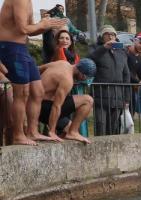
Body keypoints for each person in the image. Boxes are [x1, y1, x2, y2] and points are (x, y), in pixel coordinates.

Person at [0, 0, 68, 145]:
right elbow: (23, 29)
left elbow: (31, 30)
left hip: (22, 49)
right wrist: (43, 24)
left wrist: (46, 26)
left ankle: (32, 131)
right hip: (10, 48)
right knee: (22, 92)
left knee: (38, 91)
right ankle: (18, 135)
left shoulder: (28, 2)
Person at [36, 59, 93, 143]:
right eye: (85, 77)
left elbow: (37, 69)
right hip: (43, 108)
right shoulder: (67, 79)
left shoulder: (62, 63)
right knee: (88, 100)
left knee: (68, 128)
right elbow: (56, 106)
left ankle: (69, 133)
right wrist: (52, 131)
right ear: (81, 73)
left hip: (35, 105)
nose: (84, 79)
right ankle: (72, 132)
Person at [89, 25, 131, 136]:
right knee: (100, 125)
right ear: (102, 37)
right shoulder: (96, 48)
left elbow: (126, 74)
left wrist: (127, 97)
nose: (110, 36)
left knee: (114, 127)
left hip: (118, 96)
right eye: (107, 34)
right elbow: (89, 59)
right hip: (100, 95)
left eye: (112, 34)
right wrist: (104, 48)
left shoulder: (121, 52)